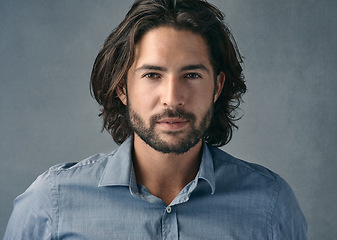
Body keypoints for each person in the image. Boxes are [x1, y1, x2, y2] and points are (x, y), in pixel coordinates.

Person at [4, 0, 307, 239]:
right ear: (122, 87)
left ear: (216, 86)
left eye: (191, 75)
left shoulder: (271, 205)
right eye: (152, 75)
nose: (172, 98)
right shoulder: (51, 204)